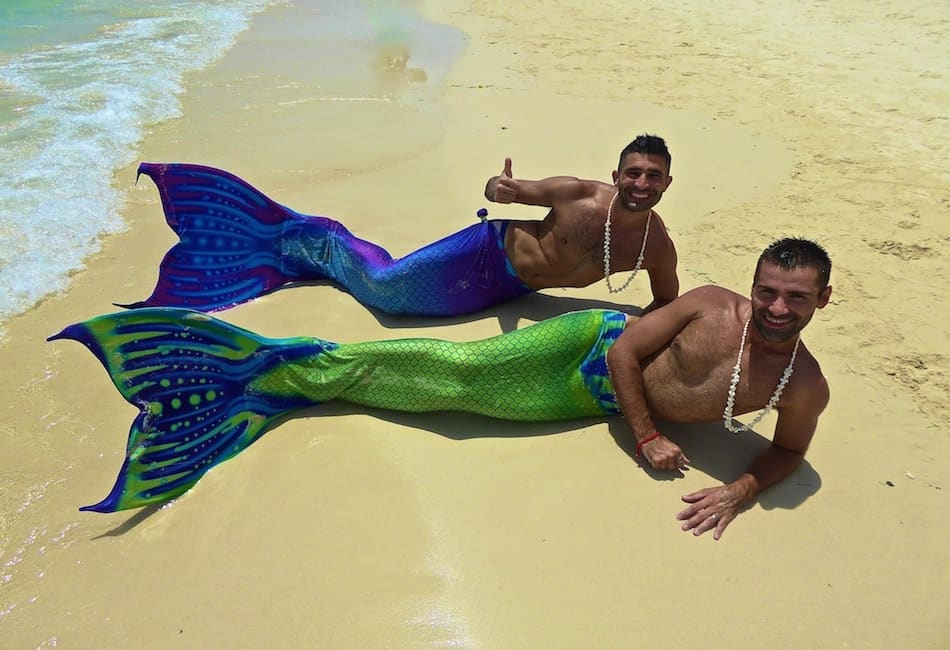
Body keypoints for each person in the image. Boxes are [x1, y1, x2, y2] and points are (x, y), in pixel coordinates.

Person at [52, 239, 829, 539]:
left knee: (451, 403)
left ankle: (275, 389)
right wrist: (652, 435)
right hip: (590, 349)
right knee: (460, 369)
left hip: (592, 406)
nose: (776, 308)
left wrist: (739, 492)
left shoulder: (805, 385)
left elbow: (788, 452)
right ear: (755, 286)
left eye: (795, 298)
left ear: (821, 302)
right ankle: (273, 366)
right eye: (770, 291)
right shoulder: (709, 305)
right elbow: (627, 352)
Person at [125, 134, 678, 317]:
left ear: (666, 185)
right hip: (486, 254)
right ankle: (317, 239)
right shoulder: (579, 196)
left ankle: (315, 252)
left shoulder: (658, 249)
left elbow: (663, 304)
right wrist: (500, 190)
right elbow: (507, 191)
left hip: (513, 291)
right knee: (386, 292)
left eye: (653, 176)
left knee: (397, 301)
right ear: (617, 174)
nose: (641, 183)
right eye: (634, 172)